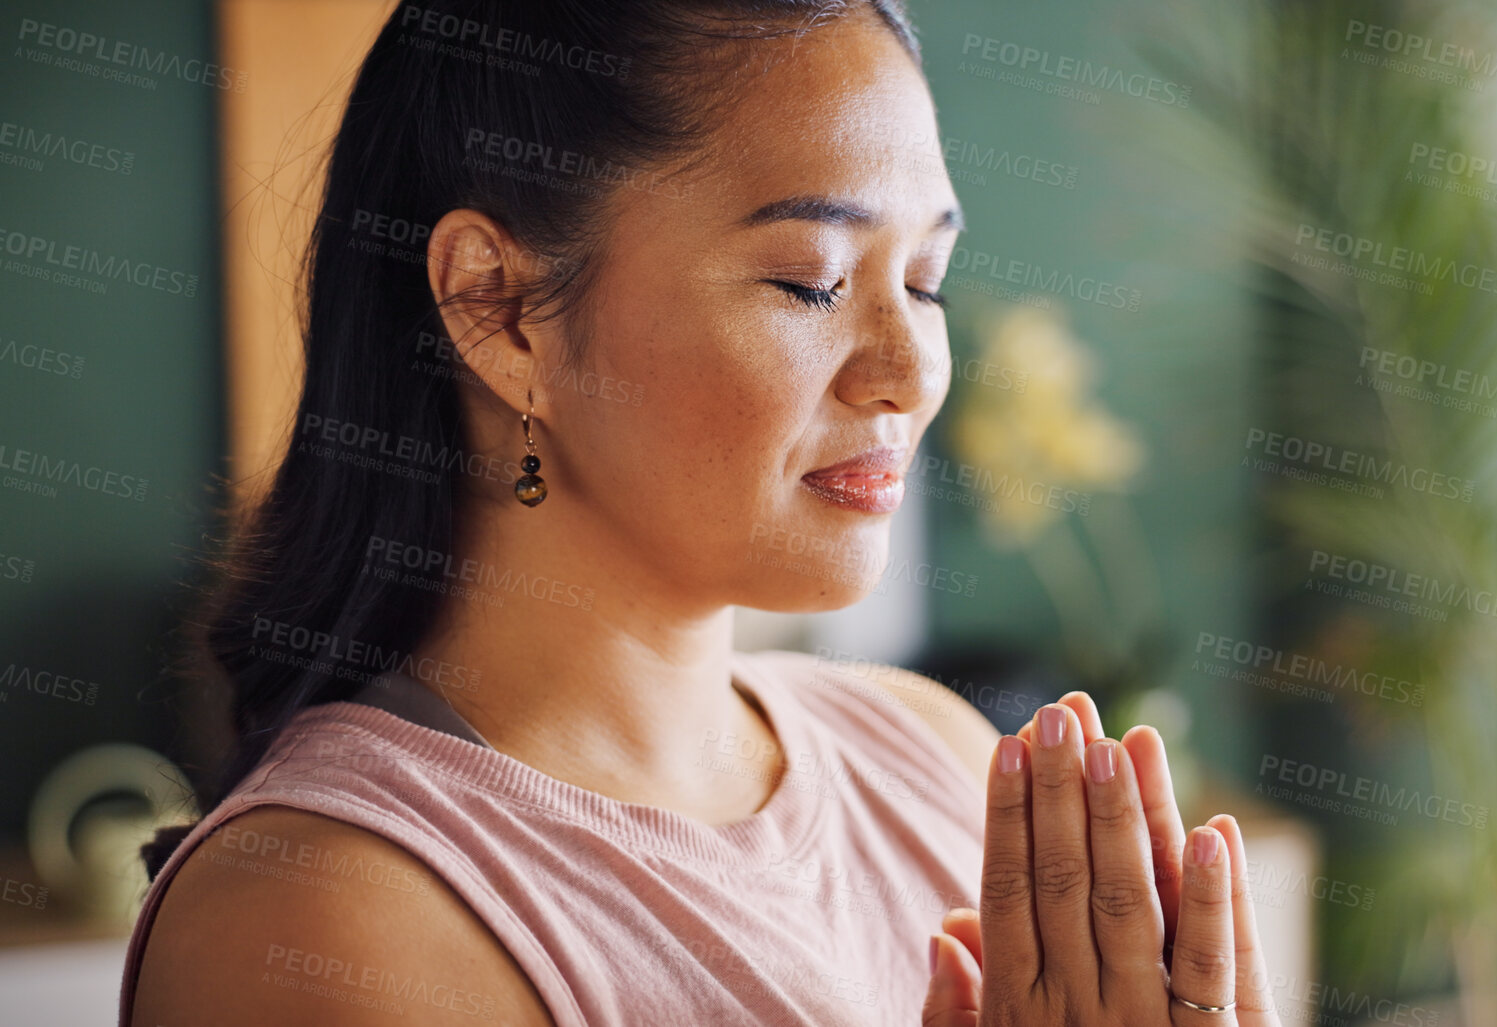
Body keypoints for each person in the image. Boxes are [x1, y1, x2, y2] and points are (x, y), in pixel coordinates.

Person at [121, 2, 1282, 1024]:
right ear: (500, 308)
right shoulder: (324, 923)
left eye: (923, 282)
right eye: (809, 281)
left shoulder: (935, 757)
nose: (908, 370)